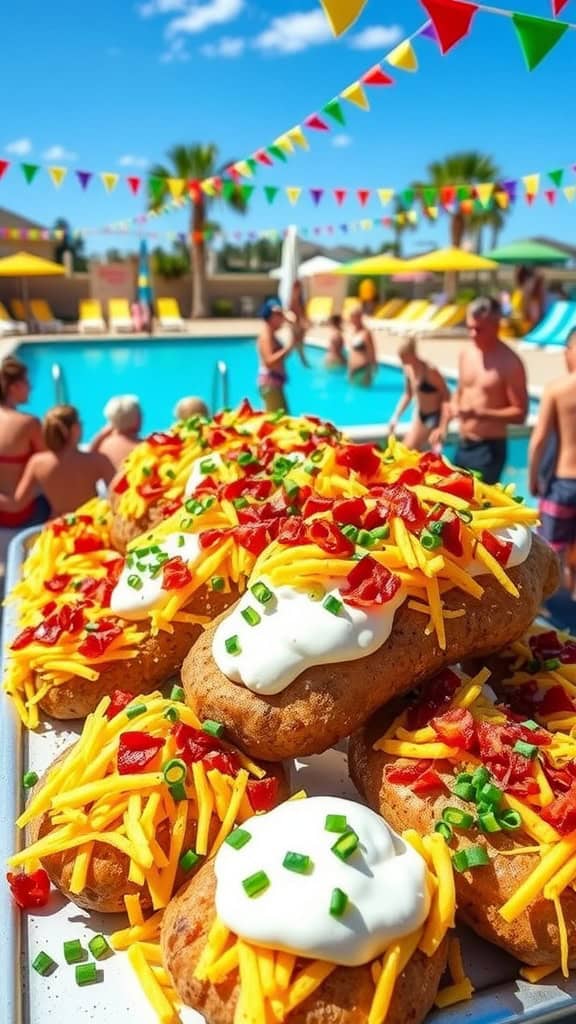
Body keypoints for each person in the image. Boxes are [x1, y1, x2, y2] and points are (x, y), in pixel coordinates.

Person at [430, 296, 528, 485]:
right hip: (463, 443)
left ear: (496, 325)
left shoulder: (510, 363)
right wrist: (443, 425)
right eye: (470, 328)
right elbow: (460, 392)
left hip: (489, 449)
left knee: (480, 510)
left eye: (479, 329)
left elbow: (520, 413)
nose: (473, 334)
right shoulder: (466, 353)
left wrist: (480, 414)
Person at [0, 405, 115, 519]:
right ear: (74, 429)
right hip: (89, 524)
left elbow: (16, 503)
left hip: (58, 528)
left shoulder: (37, 463)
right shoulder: (98, 460)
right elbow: (120, 493)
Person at [529, 330, 576, 594]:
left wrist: (534, 478)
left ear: (570, 351)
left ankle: (560, 616)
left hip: (563, 485)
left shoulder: (557, 389)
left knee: (551, 554)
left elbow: (538, 441)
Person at [0, 355, 48, 528]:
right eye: (27, 382)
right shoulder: (28, 423)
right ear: (14, 387)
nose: (31, 387)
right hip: (19, 513)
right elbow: (49, 465)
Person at [388, 337, 450, 450]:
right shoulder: (408, 369)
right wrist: (395, 417)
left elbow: (446, 395)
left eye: (403, 357)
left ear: (412, 354)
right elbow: (408, 394)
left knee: (409, 448)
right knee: (407, 448)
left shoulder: (430, 371)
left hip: (433, 416)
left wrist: (443, 425)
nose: (401, 360)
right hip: (420, 414)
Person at [257, 298, 294, 413]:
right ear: (270, 317)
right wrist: (288, 348)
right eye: (278, 315)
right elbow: (269, 361)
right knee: (278, 422)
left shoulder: (272, 335)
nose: (282, 318)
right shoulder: (266, 336)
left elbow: (279, 359)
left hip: (274, 383)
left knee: (282, 418)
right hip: (270, 384)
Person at [89, 395, 142, 469]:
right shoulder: (144, 446)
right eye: (139, 414)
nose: (142, 416)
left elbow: (88, 458)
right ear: (135, 417)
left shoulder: (103, 445)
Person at [346, 306, 377, 388]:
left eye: (356, 317)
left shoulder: (366, 333)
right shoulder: (351, 331)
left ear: (360, 317)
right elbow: (351, 351)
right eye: (352, 316)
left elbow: (372, 351)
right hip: (352, 370)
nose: (353, 319)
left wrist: (374, 365)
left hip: (363, 369)